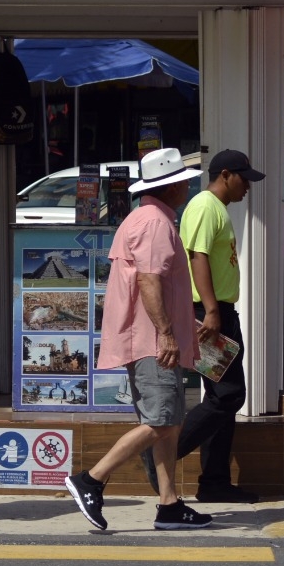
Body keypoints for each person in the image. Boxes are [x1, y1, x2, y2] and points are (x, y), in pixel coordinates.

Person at [63, 147, 212, 532]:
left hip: (153, 338)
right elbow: (149, 280)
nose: (186, 187)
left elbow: (156, 282)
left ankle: (169, 503)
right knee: (162, 420)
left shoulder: (148, 218)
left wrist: (179, 323)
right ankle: (91, 479)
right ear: (173, 186)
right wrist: (166, 333)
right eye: (182, 182)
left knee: (167, 422)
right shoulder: (154, 222)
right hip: (152, 342)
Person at [139, 149, 265, 504]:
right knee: (230, 395)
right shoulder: (206, 206)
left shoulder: (215, 208)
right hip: (210, 311)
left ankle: (214, 480)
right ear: (225, 175)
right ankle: (161, 451)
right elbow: (199, 258)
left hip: (218, 309)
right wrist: (211, 310)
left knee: (220, 396)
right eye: (244, 179)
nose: (248, 188)